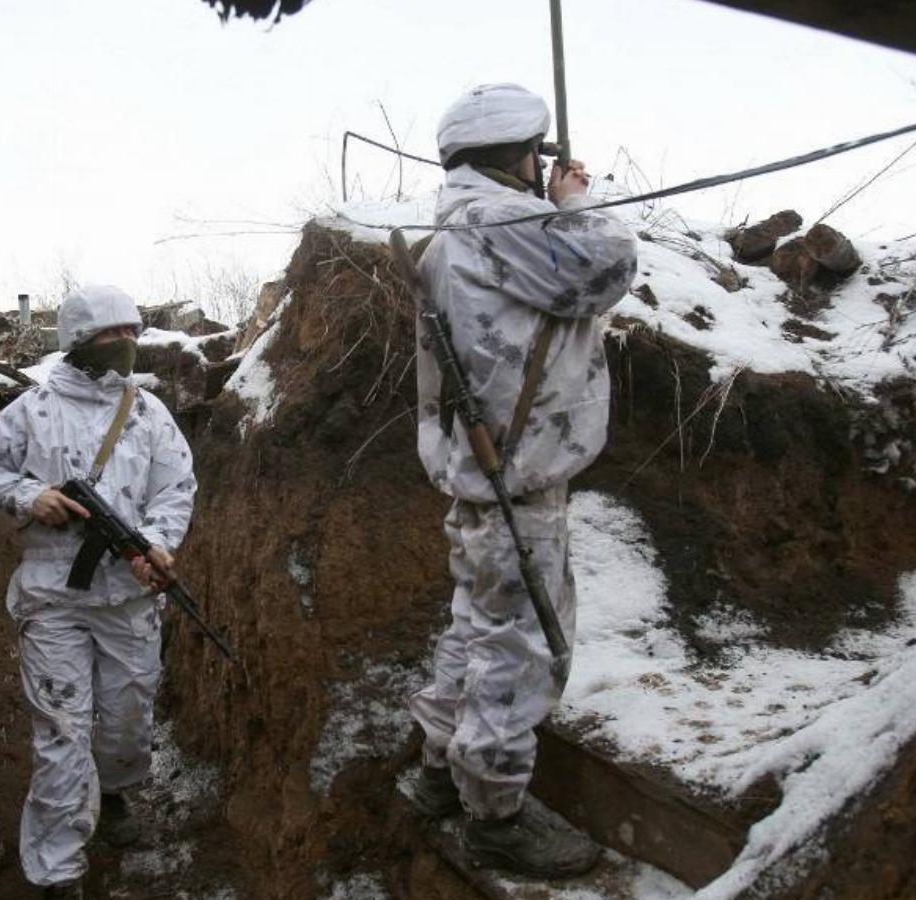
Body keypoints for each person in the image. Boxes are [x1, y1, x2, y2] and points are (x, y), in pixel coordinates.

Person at [404, 83, 638, 878]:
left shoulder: (453, 233)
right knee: (521, 651)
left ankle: (439, 774)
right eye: (536, 152)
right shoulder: (501, 224)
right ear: (515, 153)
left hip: (481, 475)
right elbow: (607, 268)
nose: (544, 164)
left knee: (476, 630)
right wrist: (576, 202)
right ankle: (495, 816)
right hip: (518, 481)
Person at [0, 284, 197, 900]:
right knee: (63, 733)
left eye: (131, 332)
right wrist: (28, 496)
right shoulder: (34, 410)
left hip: (129, 598)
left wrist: (154, 544)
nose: (125, 343)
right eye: (111, 333)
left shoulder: (148, 414)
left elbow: (176, 487)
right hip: (52, 599)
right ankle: (58, 870)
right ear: (79, 340)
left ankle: (114, 792)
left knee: (126, 719)